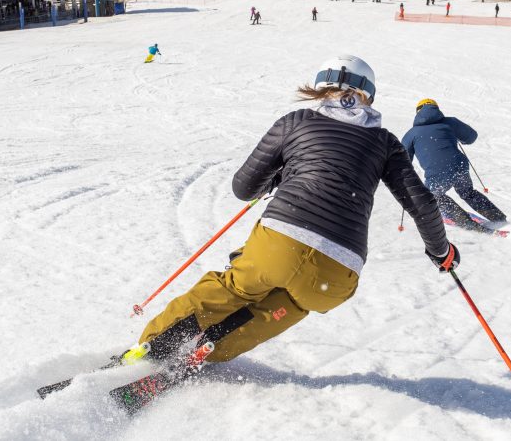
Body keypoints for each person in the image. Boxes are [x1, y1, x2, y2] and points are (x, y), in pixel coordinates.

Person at [132, 56, 459, 367]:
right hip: (338, 271)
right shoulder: (386, 142)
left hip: (280, 243)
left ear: (321, 86)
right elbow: (423, 204)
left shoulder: (297, 121)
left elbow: (243, 188)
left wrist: (276, 176)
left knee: (235, 286)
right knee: (293, 302)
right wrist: (441, 252)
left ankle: (155, 345)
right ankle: (212, 349)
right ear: (368, 97)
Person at [402, 99, 506, 229]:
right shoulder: (450, 122)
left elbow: (402, 159)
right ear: (437, 109)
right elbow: (471, 137)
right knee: (467, 192)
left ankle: (465, 221)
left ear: (417, 112)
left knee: (432, 196)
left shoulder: (412, 134)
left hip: (437, 172)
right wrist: (459, 137)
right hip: (460, 166)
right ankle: (498, 217)